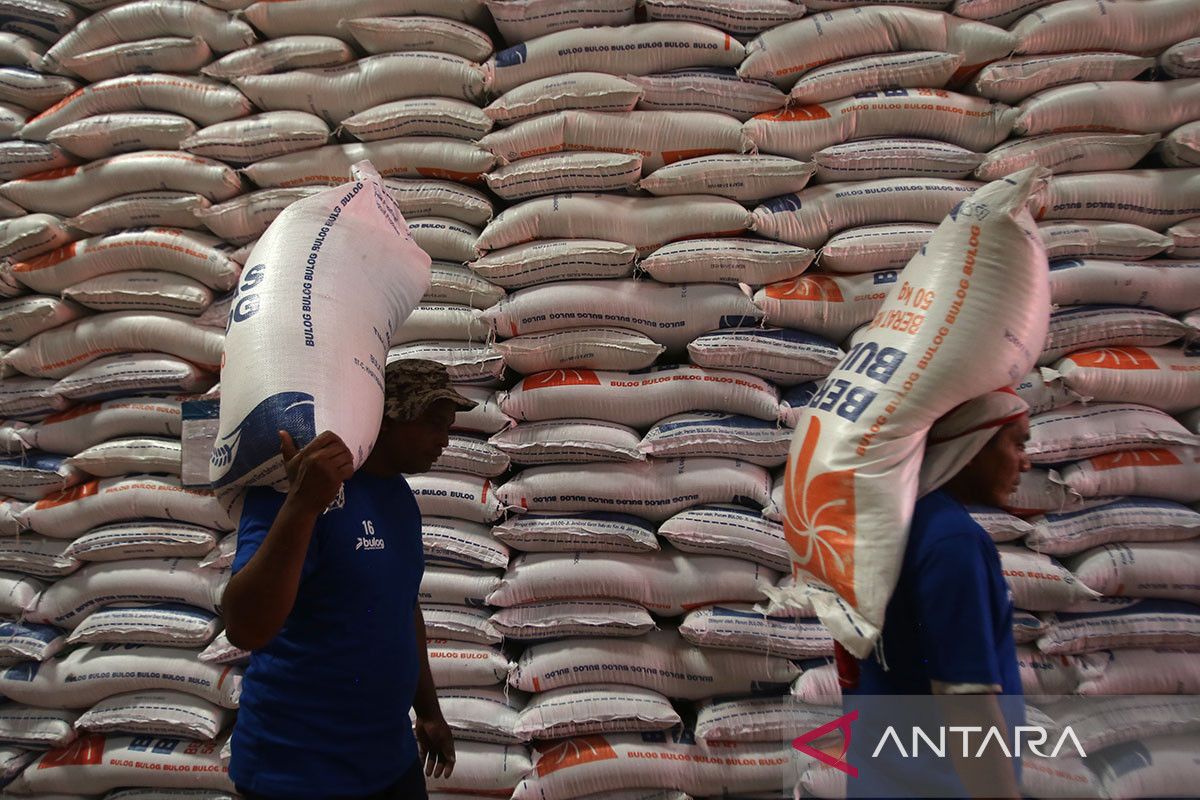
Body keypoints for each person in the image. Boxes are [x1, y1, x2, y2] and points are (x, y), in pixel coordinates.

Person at [222, 359, 476, 800]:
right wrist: (303, 505)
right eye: (434, 423)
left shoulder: (398, 496)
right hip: (298, 772)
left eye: (450, 426)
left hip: (389, 761)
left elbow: (401, 605)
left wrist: (429, 712)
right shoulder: (292, 487)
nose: (445, 440)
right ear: (386, 417)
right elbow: (245, 628)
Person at [840, 388, 1032, 800]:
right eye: (1017, 444)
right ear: (974, 445)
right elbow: (967, 707)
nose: (1025, 462)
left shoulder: (885, 523)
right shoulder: (953, 542)